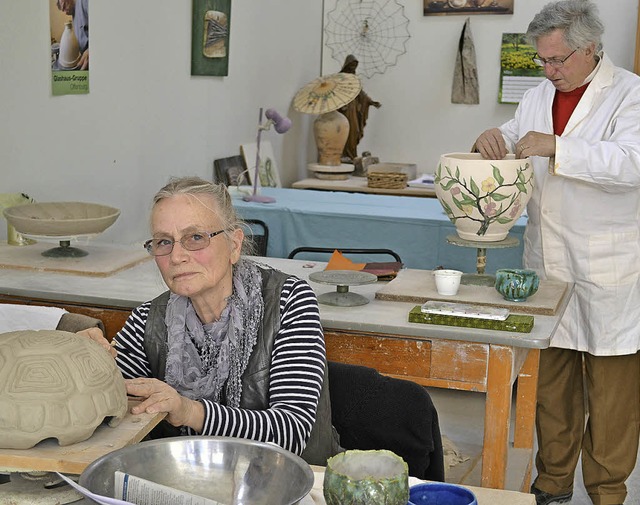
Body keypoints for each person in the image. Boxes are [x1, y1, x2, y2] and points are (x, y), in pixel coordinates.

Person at [473, 1, 640, 504]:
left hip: (608, 268)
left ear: (590, 49)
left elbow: (632, 162)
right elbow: (516, 137)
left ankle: (608, 491)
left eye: (558, 60)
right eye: (543, 61)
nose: (549, 70)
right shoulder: (540, 93)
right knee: (550, 385)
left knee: (611, 395)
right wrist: (493, 137)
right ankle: (551, 483)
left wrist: (559, 148)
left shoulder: (629, 93)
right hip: (547, 262)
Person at [81, 176, 339, 464]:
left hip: (291, 483)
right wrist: (85, 365)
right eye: (164, 242)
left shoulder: (289, 301)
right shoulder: (148, 319)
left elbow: (290, 432)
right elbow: (111, 402)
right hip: (189, 481)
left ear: (234, 245)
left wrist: (189, 411)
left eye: (195, 237)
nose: (177, 256)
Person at [338, 54, 381, 162]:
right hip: (345, 109)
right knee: (345, 131)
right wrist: (342, 104)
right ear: (347, 65)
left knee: (355, 131)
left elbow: (361, 94)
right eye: (352, 65)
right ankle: (343, 154)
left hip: (353, 110)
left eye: (355, 65)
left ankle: (352, 155)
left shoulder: (354, 78)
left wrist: (371, 102)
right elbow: (336, 92)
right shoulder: (340, 77)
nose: (353, 67)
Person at [56, 0, 89, 70]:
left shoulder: (84, 2)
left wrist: (90, 50)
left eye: (64, 7)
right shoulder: (74, 13)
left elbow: (103, 29)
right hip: (83, 60)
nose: (65, 12)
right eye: (63, 10)